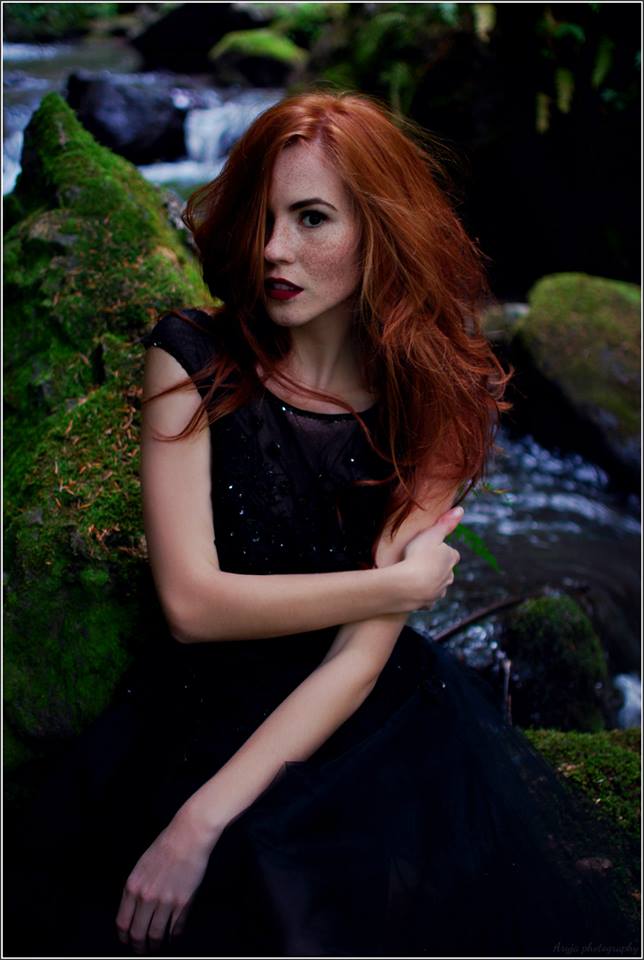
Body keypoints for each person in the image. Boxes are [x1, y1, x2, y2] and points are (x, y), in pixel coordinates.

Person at [6, 91, 639, 958]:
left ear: (380, 230)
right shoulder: (190, 358)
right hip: (196, 710)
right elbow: (192, 606)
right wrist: (395, 587)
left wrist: (203, 822)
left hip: (359, 719)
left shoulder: (437, 398)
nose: (274, 249)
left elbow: (358, 657)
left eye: (311, 219)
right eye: (265, 217)